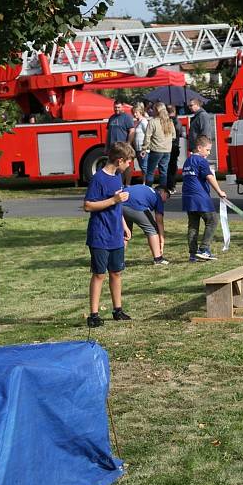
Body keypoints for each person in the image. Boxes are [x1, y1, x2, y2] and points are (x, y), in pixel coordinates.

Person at [83, 141, 134, 328]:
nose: (129, 165)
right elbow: (88, 205)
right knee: (99, 274)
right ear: (119, 160)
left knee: (116, 272)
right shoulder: (98, 179)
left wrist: (124, 226)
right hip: (100, 234)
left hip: (115, 233)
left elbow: (117, 206)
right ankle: (94, 314)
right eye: (128, 161)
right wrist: (113, 199)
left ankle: (117, 310)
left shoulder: (117, 178)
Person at [182, 135, 227, 262]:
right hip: (200, 197)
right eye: (207, 150)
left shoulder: (188, 160)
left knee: (193, 225)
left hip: (188, 198)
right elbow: (210, 177)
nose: (208, 153)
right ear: (199, 148)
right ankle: (204, 249)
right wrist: (219, 191)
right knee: (212, 220)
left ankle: (192, 254)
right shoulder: (201, 161)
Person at [122, 184, 170, 265]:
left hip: (120, 203)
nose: (166, 201)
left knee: (125, 232)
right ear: (162, 192)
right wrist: (162, 240)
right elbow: (159, 222)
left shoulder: (146, 189)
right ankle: (158, 259)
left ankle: (118, 260)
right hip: (136, 205)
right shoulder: (157, 196)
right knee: (152, 229)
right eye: (167, 196)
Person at [141, 102, 176, 186]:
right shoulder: (169, 121)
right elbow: (174, 136)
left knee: (150, 172)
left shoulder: (153, 121)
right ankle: (163, 192)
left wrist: (144, 148)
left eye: (153, 109)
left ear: (156, 110)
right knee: (163, 172)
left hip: (156, 150)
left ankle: (148, 190)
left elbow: (147, 137)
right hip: (167, 150)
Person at [106, 99, 135, 183]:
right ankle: (120, 184)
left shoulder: (127, 117)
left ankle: (128, 184)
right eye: (115, 107)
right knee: (116, 167)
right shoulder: (111, 118)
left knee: (127, 166)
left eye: (118, 107)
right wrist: (106, 146)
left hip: (124, 147)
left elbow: (132, 131)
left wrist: (128, 144)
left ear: (123, 107)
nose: (116, 109)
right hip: (113, 148)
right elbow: (108, 133)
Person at [166, 105, 184, 194]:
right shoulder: (177, 121)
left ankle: (169, 186)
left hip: (167, 146)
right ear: (174, 111)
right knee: (173, 167)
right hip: (175, 146)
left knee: (167, 167)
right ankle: (172, 186)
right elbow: (180, 132)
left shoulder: (166, 121)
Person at [132, 103, 150, 176]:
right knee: (142, 167)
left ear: (140, 112)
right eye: (133, 112)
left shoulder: (144, 122)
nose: (134, 114)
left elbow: (148, 135)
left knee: (144, 167)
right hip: (138, 149)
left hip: (143, 149)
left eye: (136, 112)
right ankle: (145, 182)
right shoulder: (136, 122)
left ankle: (146, 183)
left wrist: (145, 149)